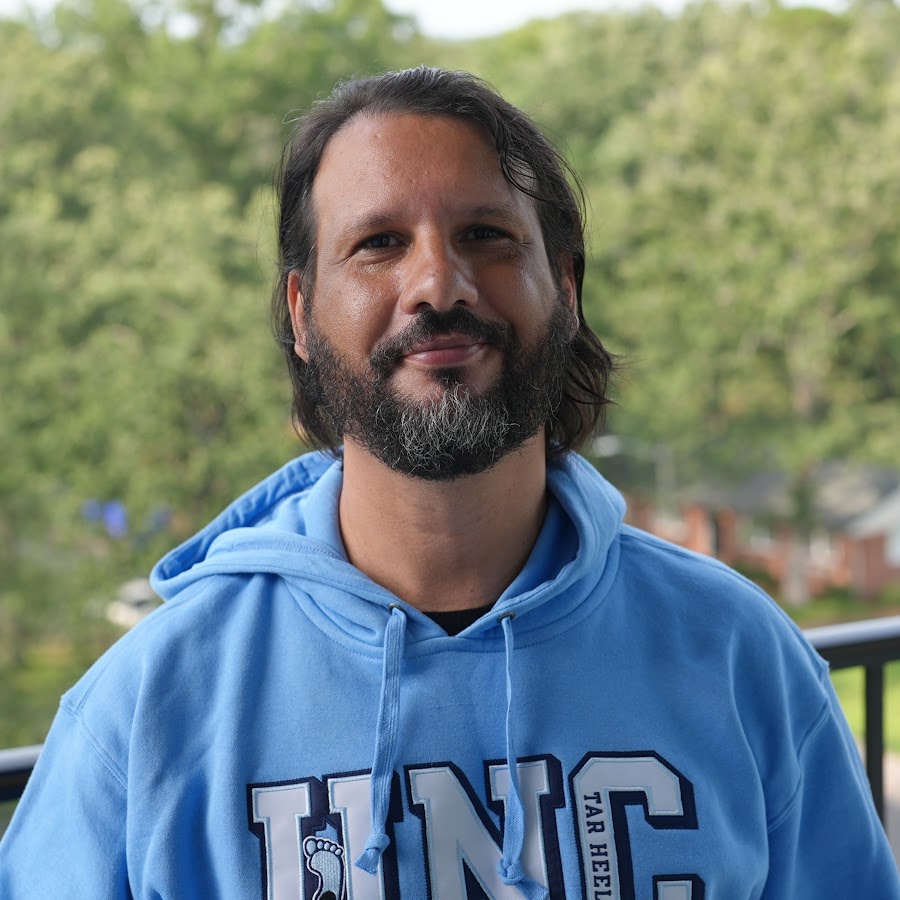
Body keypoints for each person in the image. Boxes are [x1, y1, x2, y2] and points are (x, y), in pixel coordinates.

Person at [0, 66, 897, 900]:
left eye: (486, 236)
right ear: (303, 315)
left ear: (566, 287)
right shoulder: (148, 709)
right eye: (379, 243)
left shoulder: (742, 657)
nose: (438, 284)